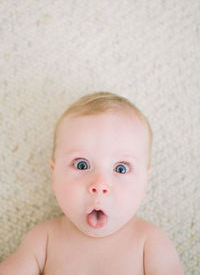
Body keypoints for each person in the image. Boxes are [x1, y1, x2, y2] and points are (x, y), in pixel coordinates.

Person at [0, 91, 184, 274]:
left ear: (145, 182)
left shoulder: (150, 243)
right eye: (81, 164)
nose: (100, 184)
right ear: (54, 175)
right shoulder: (43, 240)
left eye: (121, 169)